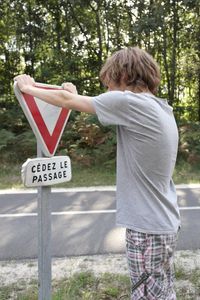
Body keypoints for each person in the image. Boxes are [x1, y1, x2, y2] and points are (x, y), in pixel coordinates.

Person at [14, 46, 180, 299]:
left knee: (147, 296)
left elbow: (70, 102)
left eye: (108, 84)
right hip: (164, 223)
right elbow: (85, 103)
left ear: (123, 76)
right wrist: (74, 96)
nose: (107, 91)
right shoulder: (158, 107)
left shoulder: (128, 101)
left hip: (147, 227)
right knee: (163, 292)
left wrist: (27, 87)